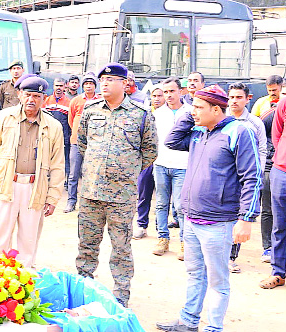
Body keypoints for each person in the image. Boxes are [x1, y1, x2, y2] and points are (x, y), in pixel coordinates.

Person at [157, 85, 261, 332]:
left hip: (219, 221)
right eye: (192, 106)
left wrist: (246, 218)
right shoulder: (199, 132)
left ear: (216, 109)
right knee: (195, 273)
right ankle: (188, 322)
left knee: (217, 281)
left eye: (198, 108)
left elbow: (252, 177)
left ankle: (213, 328)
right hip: (192, 218)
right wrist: (191, 110)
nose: (193, 112)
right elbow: (171, 140)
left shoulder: (239, 132)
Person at [76, 63, 157, 307]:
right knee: (86, 245)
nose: (105, 83)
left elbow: (150, 151)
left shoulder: (141, 114)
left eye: (111, 80)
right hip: (90, 192)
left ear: (125, 83)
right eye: (103, 80)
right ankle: (83, 290)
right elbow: (82, 143)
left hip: (121, 196)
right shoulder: (90, 110)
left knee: (121, 247)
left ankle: (121, 296)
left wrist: (125, 171)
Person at [0, 76, 64, 268]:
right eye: (27, 95)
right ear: (19, 95)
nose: (31, 100)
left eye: (36, 96)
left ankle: (23, 287)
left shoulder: (53, 126)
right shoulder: (3, 118)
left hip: (35, 188)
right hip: (5, 185)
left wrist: (52, 198)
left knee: (28, 242)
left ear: (44, 98)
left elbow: (58, 165)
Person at [258, 82, 286, 299]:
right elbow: (277, 134)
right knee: (278, 226)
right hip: (282, 172)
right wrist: (284, 156)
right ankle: (278, 273)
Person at [147, 78, 191, 259]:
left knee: (181, 206)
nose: (168, 95)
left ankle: (184, 242)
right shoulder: (158, 113)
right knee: (161, 204)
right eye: (165, 92)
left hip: (183, 165)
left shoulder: (190, 112)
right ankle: (162, 238)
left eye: (172, 91)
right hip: (161, 164)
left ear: (181, 91)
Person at [226, 82, 267, 273]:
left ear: (247, 99)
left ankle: (230, 257)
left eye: (238, 97)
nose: (234, 101)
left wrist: (255, 174)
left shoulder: (255, 123)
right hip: (224, 177)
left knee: (239, 216)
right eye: (232, 97)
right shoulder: (222, 119)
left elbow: (261, 150)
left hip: (244, 179)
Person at [64, 73, 101, 213]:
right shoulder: (76, 101)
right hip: (76, 142)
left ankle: (89, 204)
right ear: (83, 86)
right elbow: (71, 120)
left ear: (95, 86)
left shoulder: (100, 100)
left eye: (91, 84)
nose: (88, 86)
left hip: (95, 144)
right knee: (73, 174)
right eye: (86, 84)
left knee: (91, 174)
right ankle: (71, 202)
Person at [133, 84, 165, 240]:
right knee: (143, 193)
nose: (157, 99)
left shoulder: (172, 115)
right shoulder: (144, 114)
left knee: (162, 197)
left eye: (160, 95)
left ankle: (162, 230)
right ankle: (141, 225)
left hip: (165, 161)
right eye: (154, 96)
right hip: (147, 161)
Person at [43, 78, 71, 186]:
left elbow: (70, 122)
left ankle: (65, 182)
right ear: (53, 86)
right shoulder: (47, 101)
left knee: (63, 160)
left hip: (63, 137)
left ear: (65, 87)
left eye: (61, 86)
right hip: (48, 136)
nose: (58, 88)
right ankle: (46, 181)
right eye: (56, 85)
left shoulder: (69, 102)